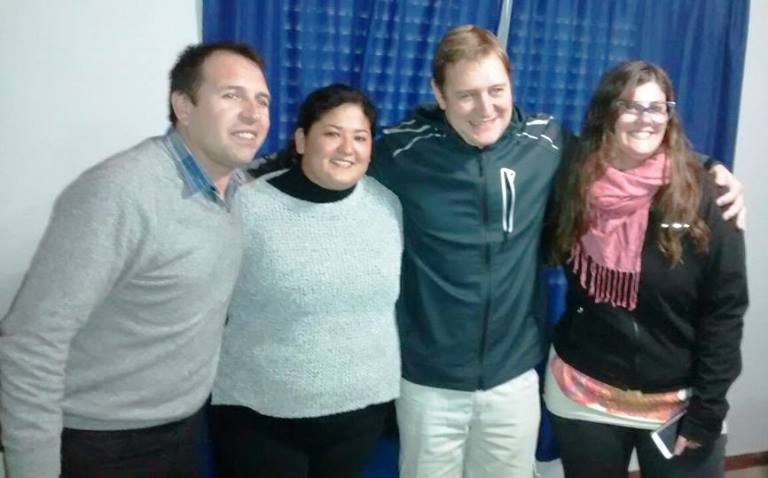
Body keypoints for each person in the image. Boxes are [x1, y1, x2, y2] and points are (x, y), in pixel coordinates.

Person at [369, 25, 746, 477]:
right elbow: (336, 161)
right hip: (437, 380)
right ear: (439, 94)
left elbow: (623, 151)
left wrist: (709, 166)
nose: (486, 108)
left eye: (496, 90)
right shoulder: (401, 151)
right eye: (467, 95)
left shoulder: (545, 143)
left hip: (517, 379)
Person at [0, 42, 270, 478]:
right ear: (184, 106)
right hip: (102, 443)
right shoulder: (120, 192)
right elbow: (31, 341)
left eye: (262, 100)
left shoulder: (240, 190)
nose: (253, 114)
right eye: (231, 95)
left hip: (185, 430)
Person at [544, 60, 747, 478]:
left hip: (679, 402)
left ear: (669, 116)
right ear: (608, 112)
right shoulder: (572, 179)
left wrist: (708, 409)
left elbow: (725, 311)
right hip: (584, 393)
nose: (645, 119)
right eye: (631, 106)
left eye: (657, 107)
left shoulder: (705, 194)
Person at [210, 84, 403, 478]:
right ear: (301, 140)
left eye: (360, 137)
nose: (347, 148)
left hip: (360, 414)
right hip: (262, 416)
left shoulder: (388, 205)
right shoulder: (247, 206)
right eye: (332, 133)